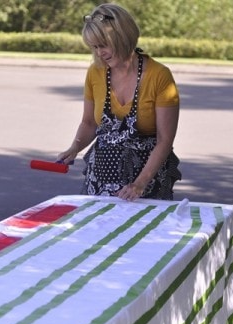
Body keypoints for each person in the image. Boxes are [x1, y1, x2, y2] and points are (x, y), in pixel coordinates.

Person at [58, 3, 181, 201]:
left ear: (122, 38)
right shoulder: (95, 73)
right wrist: (74, 148)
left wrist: (140, 183)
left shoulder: (159, 76)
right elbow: (89, 123)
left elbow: (164, 140)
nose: (99, 53)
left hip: (146, 182)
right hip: (100, 178)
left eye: (103, 45)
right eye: (94, 47)